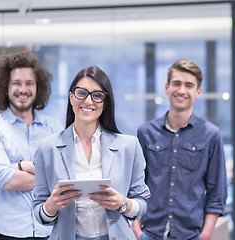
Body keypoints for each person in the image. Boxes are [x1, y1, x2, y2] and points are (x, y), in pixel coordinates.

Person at [33, 66, 150, 240]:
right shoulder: (47, 149)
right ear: (71, 97)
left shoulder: (129, 146)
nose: (88, 101)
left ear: (105, 104)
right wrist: (51, 205)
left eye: (97, 95)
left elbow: (142, 203)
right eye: (81, 93)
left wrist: (122, 203)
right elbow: (40, 213)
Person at [132, 59, 227, 240]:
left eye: (189, 85)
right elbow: (136, 185)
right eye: (177, 83)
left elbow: (217, 192)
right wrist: (137, 231)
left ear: (198, 92)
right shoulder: (146, 132)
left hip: (192, 234)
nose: (182, 90)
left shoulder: (211, 134)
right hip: (150, 233)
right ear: (167, 87)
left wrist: (205, 234)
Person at [0, 50, 63, 240]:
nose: (23, 89)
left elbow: (66, 176)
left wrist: (21, 166)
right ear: (5, 88)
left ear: (38, 88)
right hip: (9, 233)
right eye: (16, 83)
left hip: (51, 231)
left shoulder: (54, 128)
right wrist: (49, 178)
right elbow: (7, 181)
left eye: (29, 83)